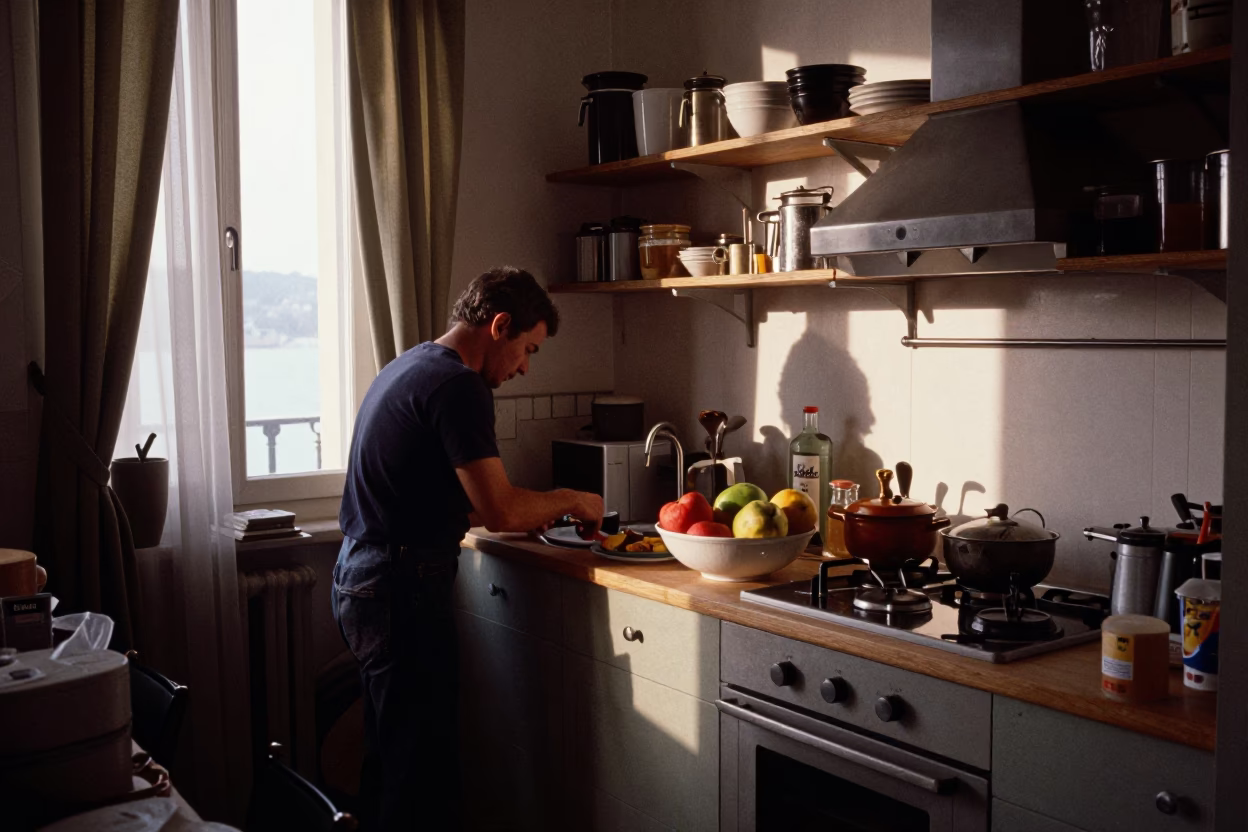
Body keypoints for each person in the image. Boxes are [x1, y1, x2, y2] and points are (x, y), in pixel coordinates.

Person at [332, 267, 604, 830]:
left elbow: (462, 503)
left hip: (361, 576)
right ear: (499, 326)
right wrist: (573, 498)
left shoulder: (411, 364)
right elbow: (500, 510)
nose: (524, 367)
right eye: (528, 349)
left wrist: (539, 514)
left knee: (391, 758)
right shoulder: (459, 386)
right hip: (399, 585)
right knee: (421, 772)